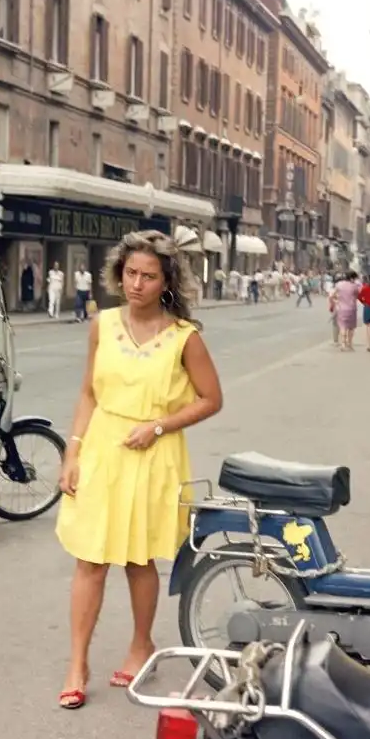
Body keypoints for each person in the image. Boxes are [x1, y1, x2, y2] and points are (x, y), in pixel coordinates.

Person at [55, 231, 223, 709]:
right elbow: (88, 393)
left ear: (166, 281)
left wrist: (158, 426)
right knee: (90, 558)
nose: (136, 284)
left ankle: (140, 644)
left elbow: (212, 399)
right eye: (130, 273)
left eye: (148, 276)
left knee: (137, 559)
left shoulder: (184, 338)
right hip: (102, 448)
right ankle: (77, 664)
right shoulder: (102, 325)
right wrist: (73, 453)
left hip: (153, 453)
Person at [333, 270, 361, 350]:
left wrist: (337, 301)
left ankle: (343, 344)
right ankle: (350, 344)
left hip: (341, 309)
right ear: (352, 278)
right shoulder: (354, 286)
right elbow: (358, 295)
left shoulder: (339, 284)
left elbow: (333, 295)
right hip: (352, 308)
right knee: (351, 327)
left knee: (342, 327)